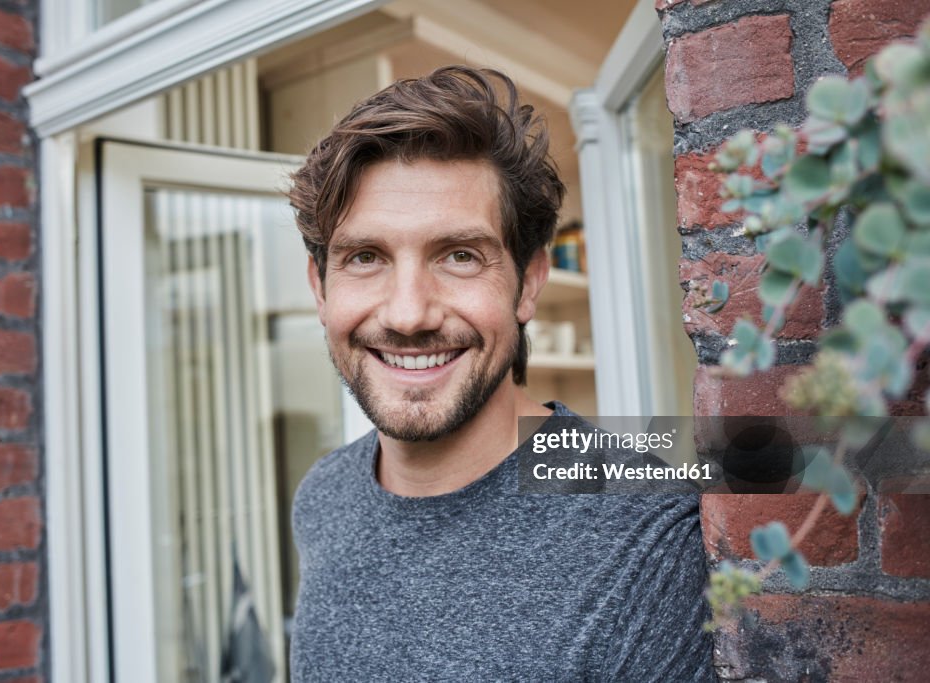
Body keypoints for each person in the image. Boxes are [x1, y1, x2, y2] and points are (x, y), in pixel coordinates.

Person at [286, 65, 714, 681]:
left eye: (460, 256)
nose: (409, 314)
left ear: (528, 283)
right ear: (319, 288)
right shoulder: (322, 496)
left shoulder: (645, 532)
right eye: (365, 258)